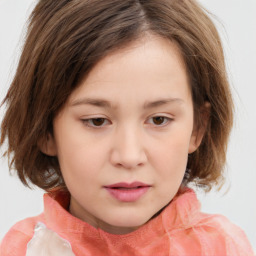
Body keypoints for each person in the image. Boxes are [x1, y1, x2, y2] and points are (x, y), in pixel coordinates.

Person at [0, 0, 254, 255]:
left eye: (158, 120)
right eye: (97, 121)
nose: (129, 156)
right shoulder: (22, 249)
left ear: (198, 128)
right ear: (45, 128)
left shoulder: (223, 248)